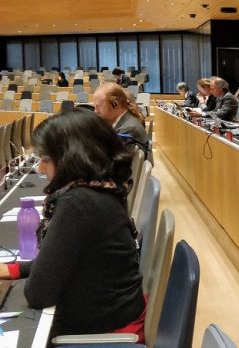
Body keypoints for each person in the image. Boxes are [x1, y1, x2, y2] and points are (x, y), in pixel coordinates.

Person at [0, 109, 145, 339]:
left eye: (46, 160)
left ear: (73, 158)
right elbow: (61, 259)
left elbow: (38, 293)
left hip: (103, 334)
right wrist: (13, 269)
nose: (40, 169)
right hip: (113, 316)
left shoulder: (78, 203)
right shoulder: (100, 187)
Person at [92, 82, 149, 152]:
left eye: (98, 106)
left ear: (115, 104)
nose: (95, 111)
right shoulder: (126, 122)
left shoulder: (127, 130)